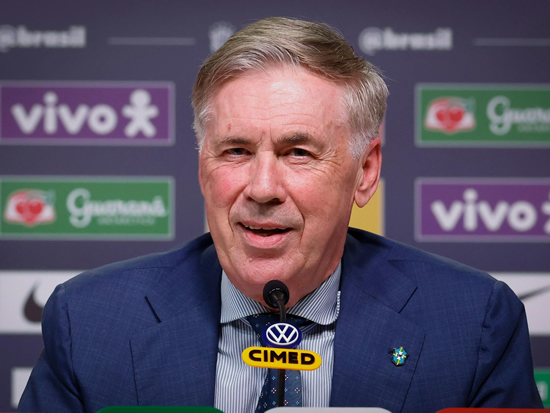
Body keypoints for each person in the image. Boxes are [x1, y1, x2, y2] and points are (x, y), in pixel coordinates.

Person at [19, 17, 543, 413]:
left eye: (298, 152)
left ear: (365, 172)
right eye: (236, 151)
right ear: (202, 167)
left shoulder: (474, 325)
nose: (263, 188)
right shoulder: (89, 323)